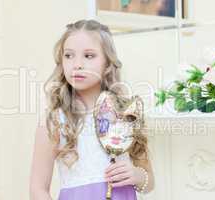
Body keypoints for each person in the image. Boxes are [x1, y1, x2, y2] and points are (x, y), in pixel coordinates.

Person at [29, 19, 155, 200]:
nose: (77, 64)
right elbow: (37, 189)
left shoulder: (126, 115)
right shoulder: (55, 121)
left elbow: (149, 182)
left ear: (107, 63)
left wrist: (136, 175)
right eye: (69, 55)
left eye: (89, 56)